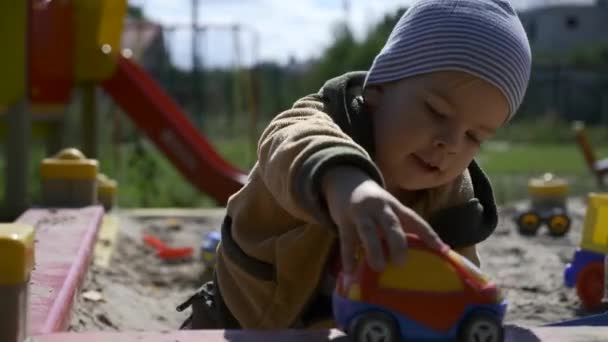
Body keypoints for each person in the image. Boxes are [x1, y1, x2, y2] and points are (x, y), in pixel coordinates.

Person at [178, 0, 531, 330]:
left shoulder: (452, 196)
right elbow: (288, 141)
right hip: (243, 317)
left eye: (475, 136)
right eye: (436, 111)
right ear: (379, 87)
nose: (451, 143)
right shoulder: (322, 121)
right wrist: (346, 182)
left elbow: (458, 276)